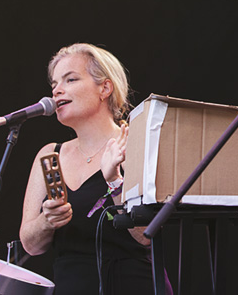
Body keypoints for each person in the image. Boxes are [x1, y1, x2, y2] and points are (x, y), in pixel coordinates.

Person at [20, 43, 170, 294]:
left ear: (105, 88)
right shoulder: (50, 154)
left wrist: (114, 181)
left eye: (70, 79)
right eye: (54, 84)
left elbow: (146, 235)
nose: (57, 90)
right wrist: (47, 221)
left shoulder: (137, 143)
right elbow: (31, 245)